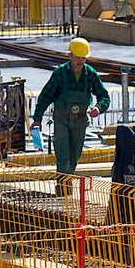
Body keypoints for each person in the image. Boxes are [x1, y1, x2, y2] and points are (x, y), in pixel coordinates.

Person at [29, 38, 111, 180]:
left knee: (74, 158)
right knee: (63, 157)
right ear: (70, 55)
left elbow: (104, 97)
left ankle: (67, 187)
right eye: (78, 58)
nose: (80, 61)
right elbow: (45, 98)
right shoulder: (59, 73)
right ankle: (63, 192)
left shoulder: (90, 74)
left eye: (83, 58)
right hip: (62, 120)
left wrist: (98, 108)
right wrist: (37, 119)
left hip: (80, 121)